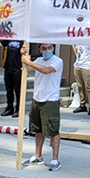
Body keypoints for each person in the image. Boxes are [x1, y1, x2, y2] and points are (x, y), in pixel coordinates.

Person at [22, 43, 64, 171]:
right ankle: (38, 155)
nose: (47, 50)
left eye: (49, 48)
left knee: (53, 130)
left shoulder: (57, 61)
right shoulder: (39, 61)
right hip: (37, 98)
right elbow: (27, 70)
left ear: (53, 48)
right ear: (40, 49)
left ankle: (55, 159)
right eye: (44, 48)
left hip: (50, 100)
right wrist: (23, 56)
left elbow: (46, 70)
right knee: (38, 129)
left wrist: (28, 62)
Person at [0, 39, 23, 117]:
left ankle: (18, 109)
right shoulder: (10, 38)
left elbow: (27, 55)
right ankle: (9, 108)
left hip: (18, 68)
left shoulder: (23, 39)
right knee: (9, 90)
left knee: (18, 91)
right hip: (8, 66)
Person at [72, 45, 90, 116]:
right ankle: (82, 104)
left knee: (88, 86)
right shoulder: (79, 40)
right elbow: (76, 50)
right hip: (78, 65)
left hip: (87, 66)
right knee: (80, 86)